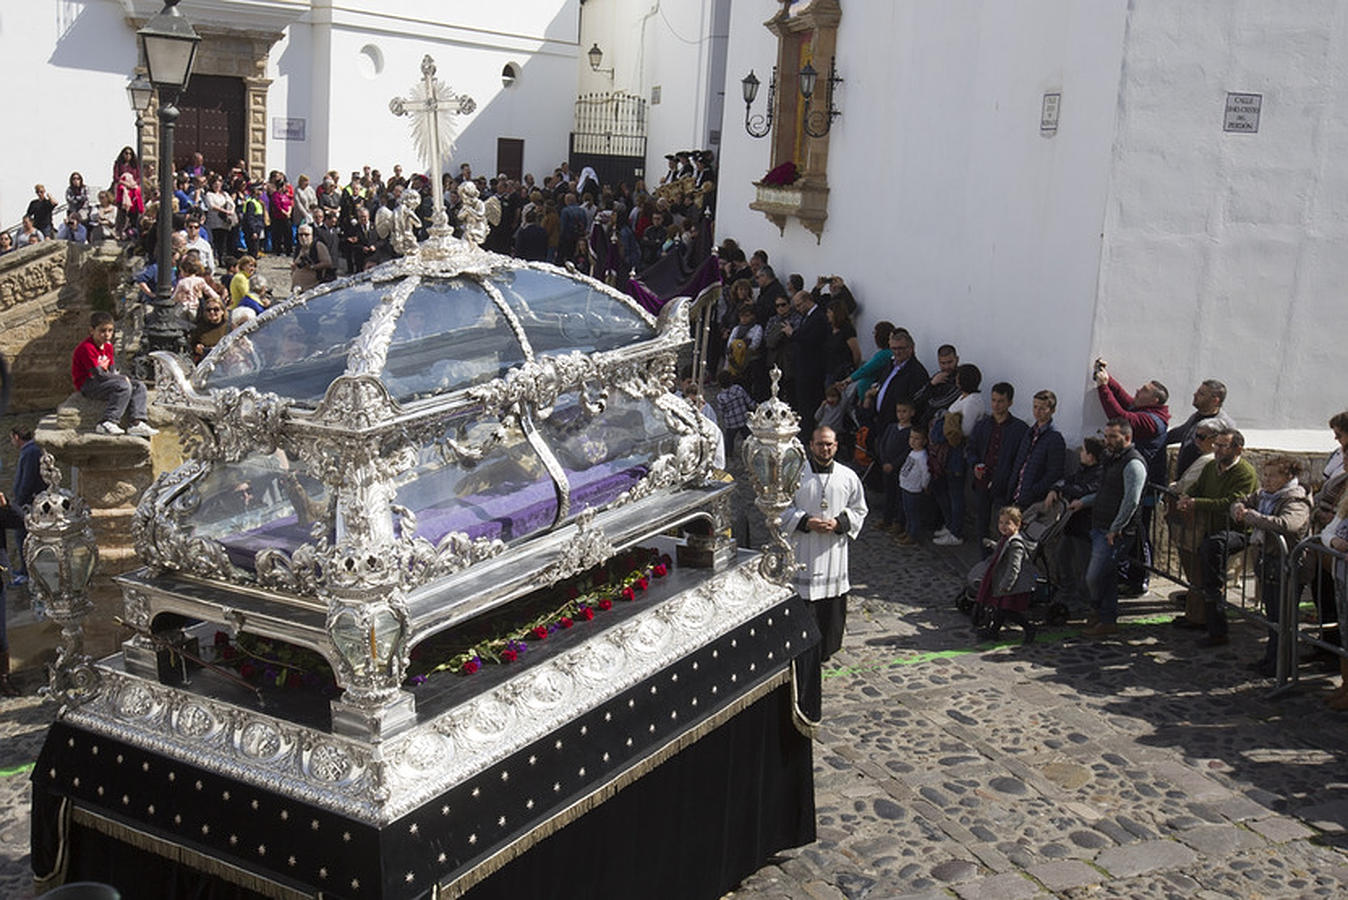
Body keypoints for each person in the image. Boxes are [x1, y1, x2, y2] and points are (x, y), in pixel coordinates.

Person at [1197, 456, 1310, 673]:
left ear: (1287, 477)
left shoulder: (1295, 500)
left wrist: (1252, 517)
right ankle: (1271, 658)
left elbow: (1288, 524)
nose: (1266, 480)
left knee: (1283, 617)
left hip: (1287, 564)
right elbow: (1242, 501)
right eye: (1265, 475)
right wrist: (1238, 509)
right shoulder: (1264, 495)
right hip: (1267, 560)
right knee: (1272, 616)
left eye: (1272, 476)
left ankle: (1282, 665)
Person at [781, 427, 867, 663]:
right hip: (804, 551)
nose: (825, 448)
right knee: (806, 601)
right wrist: (806, 521)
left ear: (836, 445)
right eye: (820, 444)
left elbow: (860, 509)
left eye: (829, 444)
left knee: (831, 604)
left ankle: (827, 649)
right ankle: (804, 648)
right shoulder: (795, 474)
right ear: (811, 445)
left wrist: (839, 523)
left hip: (833, 553)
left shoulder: (848, 476)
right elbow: (781, 509)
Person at [1173, 430, 1258, 631]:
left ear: (1237, 449)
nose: (1217, 450)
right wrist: (1187, 497)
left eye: (1223, 446)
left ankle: (1215, 627)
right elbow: (1198, 487)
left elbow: (1229, 502)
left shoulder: (1245, 473)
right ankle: (1197, 616)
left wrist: (1196, 503)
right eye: (1216, 445)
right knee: (1197, 572)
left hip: (1234, 531)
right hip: (1207, 527)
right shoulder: (1211, 466)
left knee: (1212, 572)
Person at [1074, 418, 1145, 636]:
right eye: (1106, 436)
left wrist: (1116, 527)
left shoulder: (1133, 463)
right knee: (1106, 575)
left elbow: (1131, 500)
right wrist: (1084, 502)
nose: (1108, 441)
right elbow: (1106, 491)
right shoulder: (1111, 459)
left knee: (1095, 576)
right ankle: (1105, 618)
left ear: (1127, 437)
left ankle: (1100, 611)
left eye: (1113, 437)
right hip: (1100, 523)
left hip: (1116, 531)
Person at [71, 312, 158, 438]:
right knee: (122, 385)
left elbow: (111, 370)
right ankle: (108, 421)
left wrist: (122, 379)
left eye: (110, 331)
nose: (107, 335)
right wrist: (122, 379)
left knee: (139, 386)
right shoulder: (86, 348)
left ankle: (137, 423)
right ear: (92, 330)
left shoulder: (108, 347)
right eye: (102, 331)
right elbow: (99, 374)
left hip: (103, 381)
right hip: (88, 383)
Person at [968, 382, 1029, 546]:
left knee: (1003, 526)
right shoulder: (983, 425)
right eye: (993, 400)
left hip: (1003, 485)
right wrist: (975, 464)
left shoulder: (1020, 429)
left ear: (1010, 402)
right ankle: (985, 560)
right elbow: (971, 449)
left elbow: (1021, 459)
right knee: (982, 523)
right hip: (982, 483)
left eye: (1001, 401)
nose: (996, 405)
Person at [974, 507, 1039, 644]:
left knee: (1008, 610)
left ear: (1017, 524)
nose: (1003, 526)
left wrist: (1006, 585)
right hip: (1002, 580)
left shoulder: (1016, 544)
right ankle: (993, 631)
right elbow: (1001, 550)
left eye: (1007, 523)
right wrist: (992, 544)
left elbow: (1014, 568)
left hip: (1011, 585)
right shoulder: (1006, 539)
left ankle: (1029, 628)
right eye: (1001, 522)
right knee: (1000, 608)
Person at [0, 426, 44, 592]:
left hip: (28, 503)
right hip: (26, 502)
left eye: (12, 438)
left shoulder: (30, 452)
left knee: (23, 537)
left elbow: (27, 481)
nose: (12, 442)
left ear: (17, 437)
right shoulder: (30, 451)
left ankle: (27, 573)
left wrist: (17, 502)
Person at [1008, 390, 1066, 509]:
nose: (1037, 412)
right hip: (1017, 493)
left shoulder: (1055, 438)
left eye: (1042, 408)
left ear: (1052, 410)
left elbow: (1054, 472)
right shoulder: (1029, 432)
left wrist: (1033, 490)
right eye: (1035, 407)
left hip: (1032, 499)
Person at [897, 427, 931, 545]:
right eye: (911, 438)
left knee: (913, 513)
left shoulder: (922, 456)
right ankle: (907, 531)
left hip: (914, 488)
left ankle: (913, 534)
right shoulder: (913, 452)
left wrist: (924, 485)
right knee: (907, 511)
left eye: (917, 439)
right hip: (906, 486)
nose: (913, 441)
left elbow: (925, 472)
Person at [713, 369, 755, 460]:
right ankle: (752, 450)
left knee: (729, 439)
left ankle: (728, 454)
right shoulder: (738, 389)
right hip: (743, 418)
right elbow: (748, 401)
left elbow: (721, 410)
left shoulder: (720, 397)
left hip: (731, 422)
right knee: (748, 436)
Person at [291, 224, 334, 291]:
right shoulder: (299, 247)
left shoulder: (318, 246)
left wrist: (312, 267)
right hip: (298, 288)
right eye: (300, 235)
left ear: (312, 235)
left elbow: (328, 263)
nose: (303, 237)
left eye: (306, 234)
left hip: (312, 288)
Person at [190, 298, 230, 363]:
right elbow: (193, 344)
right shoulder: (200, 328)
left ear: (222, 311)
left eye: (216, 309)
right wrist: (197, 348)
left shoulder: (229, 327)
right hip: (207, 362)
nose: (212, 312)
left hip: (226, 361)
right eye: (209, 310)